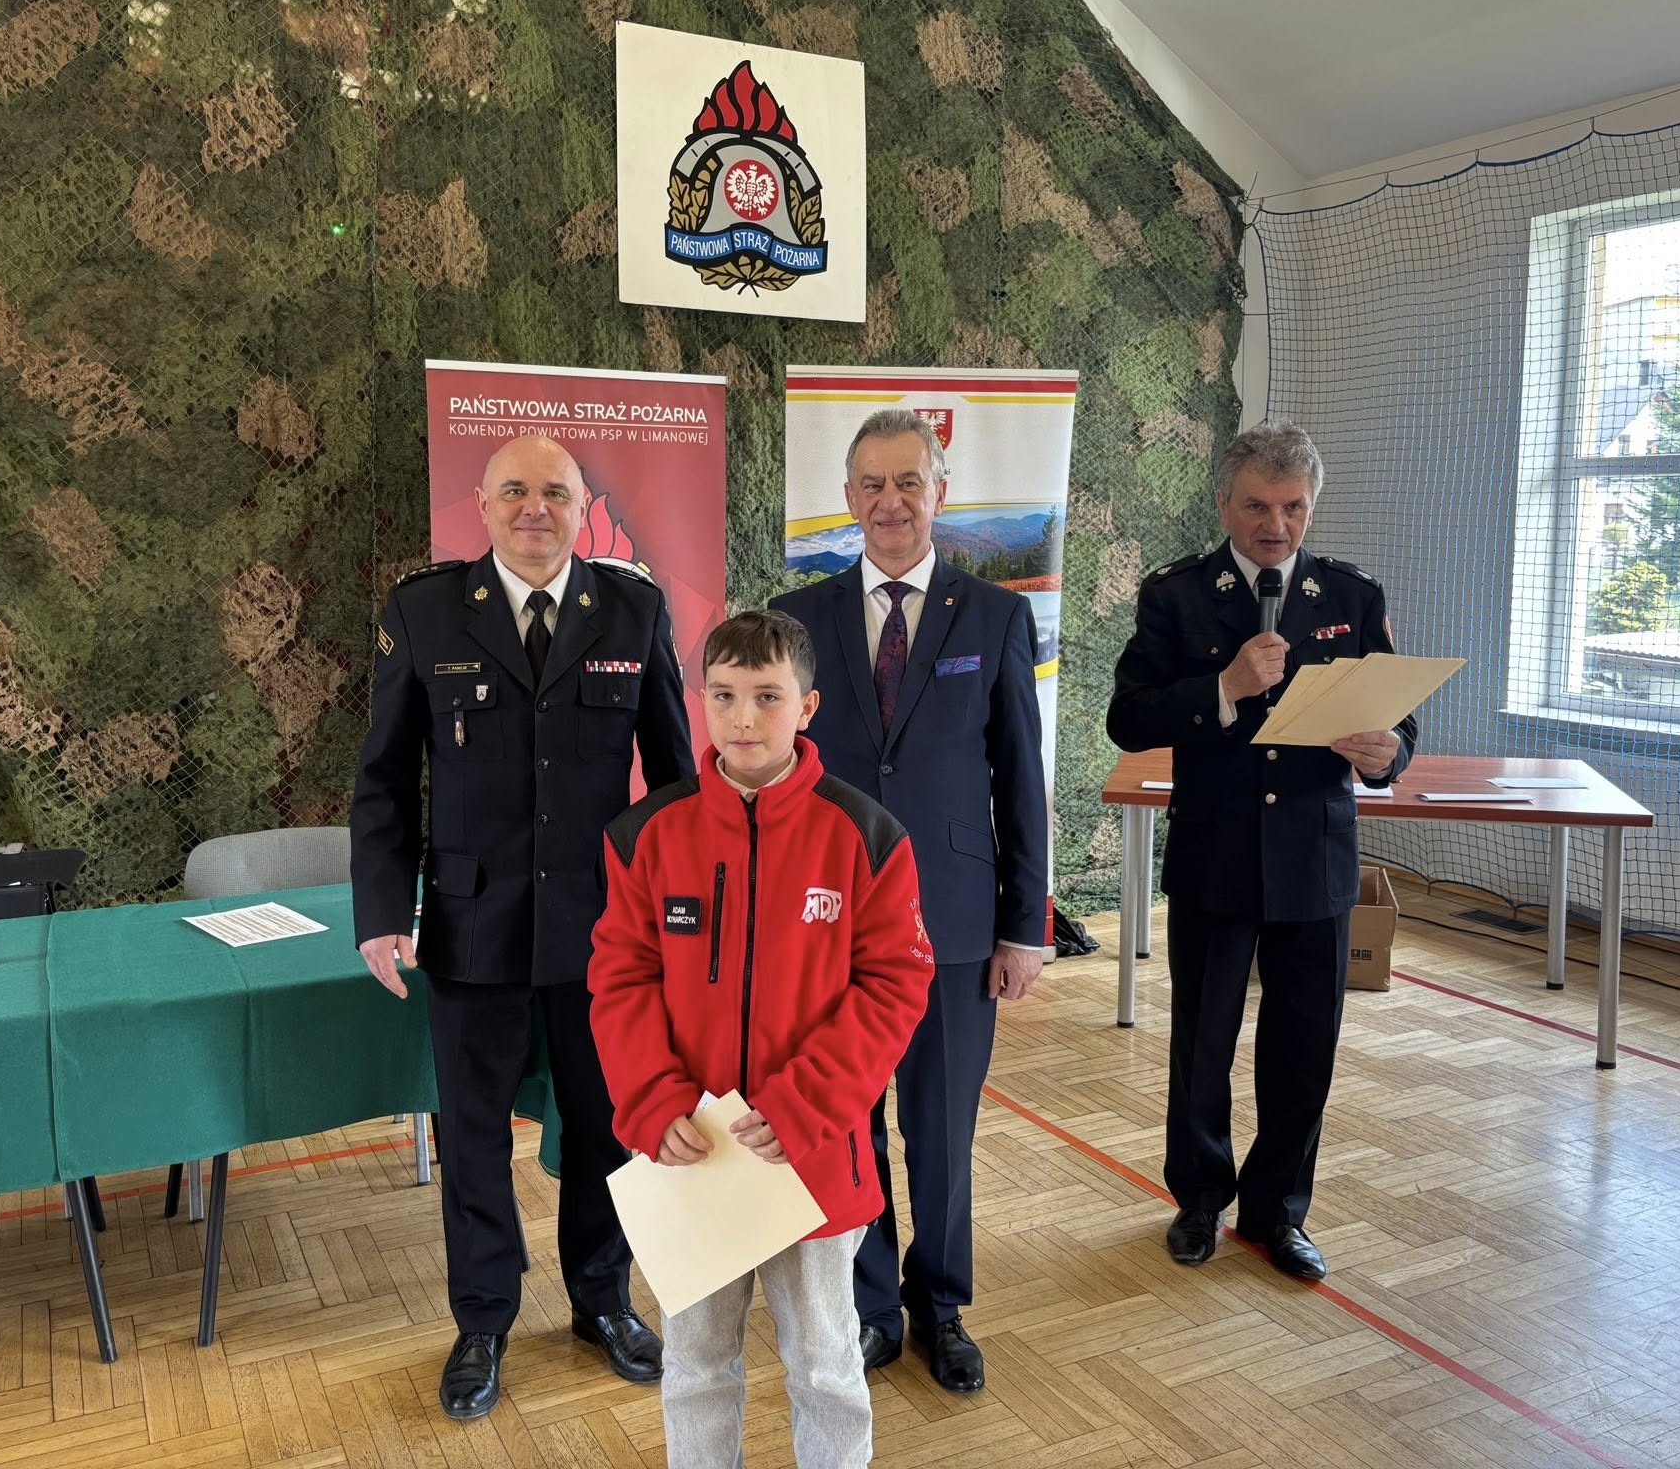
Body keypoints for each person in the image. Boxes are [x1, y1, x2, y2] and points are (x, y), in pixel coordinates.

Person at [350, 433, 693, 1419]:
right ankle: (483, 1319)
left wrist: (679, 924)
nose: (534, 508)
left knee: (606, 1127)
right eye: (514, 491)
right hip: (472, 926)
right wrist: (384, 911)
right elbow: (383, 779)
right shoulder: (424, 612)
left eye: (554, 492)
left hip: (604, 934)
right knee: (472, 1137)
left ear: (582, 507)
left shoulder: (632, 608)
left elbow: (675, 782)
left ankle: (601, 1299)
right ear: (482, 504)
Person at [588, 611, 934, 1468]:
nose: (744, 719)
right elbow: (620, 980)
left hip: (811, 1156)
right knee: (698, 1367)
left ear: (807, 706)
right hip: (693, 1158)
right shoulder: (645, 835)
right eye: (725, 696)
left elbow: (895, 984)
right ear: (700, 702)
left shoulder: (866, 836)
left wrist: (807, 1103)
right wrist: (654, 1100)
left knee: (825, 1366)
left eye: (768, 697)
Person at [770, 409, 1050, 1392]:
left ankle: (941, 1308)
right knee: (847, 1119)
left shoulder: (994, 616)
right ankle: (870, 1304)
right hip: (827, 924)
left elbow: (1020, 779)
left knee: (940, 1131)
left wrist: (1024, 926)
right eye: (872, 485)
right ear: (848, 498)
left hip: (955, 923)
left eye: (908, 483)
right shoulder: (796, 619)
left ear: (939, 494)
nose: (890, 502)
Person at [1106, 419, 1417, 1281]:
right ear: (1223, 503)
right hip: (1216, 855)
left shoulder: (1351, 596)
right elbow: (1128, 717)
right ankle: (1200, 1200)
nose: (1275, 525)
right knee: (1203, 1044)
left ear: (1310, 506)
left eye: (1292, 508)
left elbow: (1401, 721)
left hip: (1314, 861)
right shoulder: (1177, 595)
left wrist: (1389, 754)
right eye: (1256, 506)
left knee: (1304, 1047)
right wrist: (1223, 687)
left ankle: (1278, 1212)